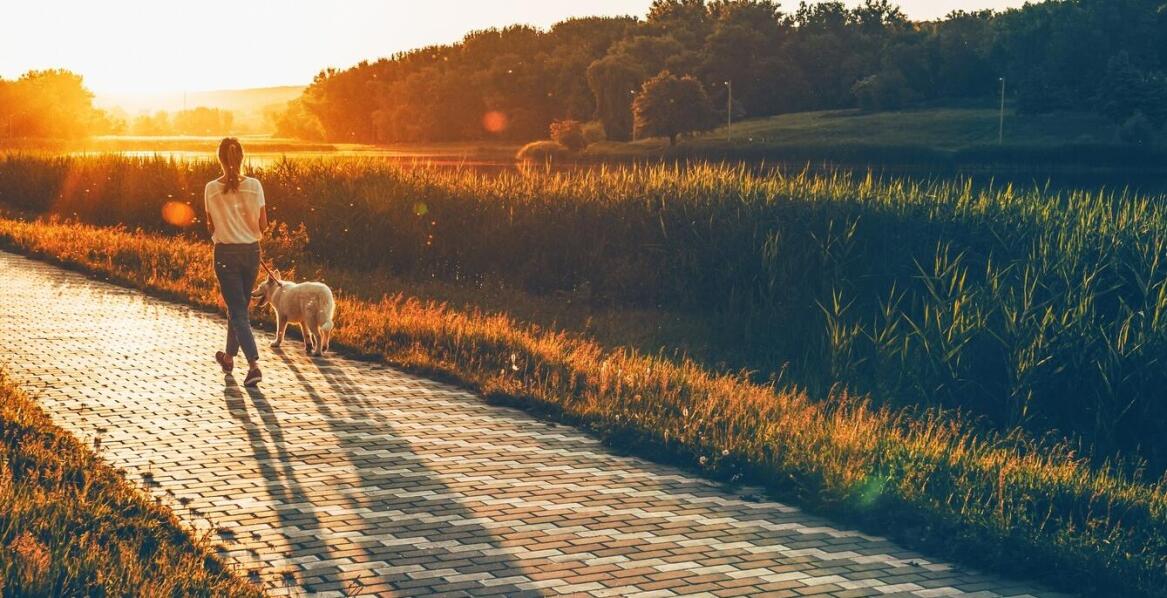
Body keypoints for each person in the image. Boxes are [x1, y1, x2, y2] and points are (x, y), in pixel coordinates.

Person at [205, 137, 268, 387]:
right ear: (241, 158)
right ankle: (229, 357)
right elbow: (263, 224)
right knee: (238, 309)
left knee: (238, 311)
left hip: (226, 254)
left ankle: (254, 366)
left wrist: (224, 233)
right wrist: (248, 232)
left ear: (220, 159)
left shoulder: (211, 188)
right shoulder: (255, 185)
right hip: (252, 252)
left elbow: (210, 224)